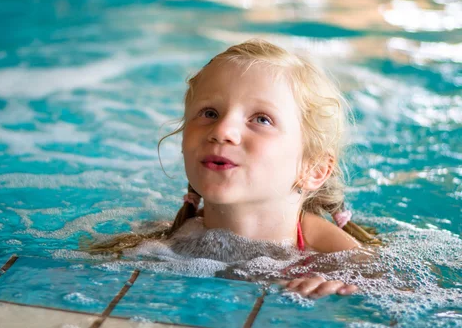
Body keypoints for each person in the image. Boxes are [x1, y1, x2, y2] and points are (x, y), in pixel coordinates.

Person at [88, 39, 381, 299]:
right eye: (210, 113)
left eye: (262, 119)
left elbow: (397, 288)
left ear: (313, 168)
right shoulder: (162, 242)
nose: (222, 130)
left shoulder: (329, 246)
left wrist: (338, 283)